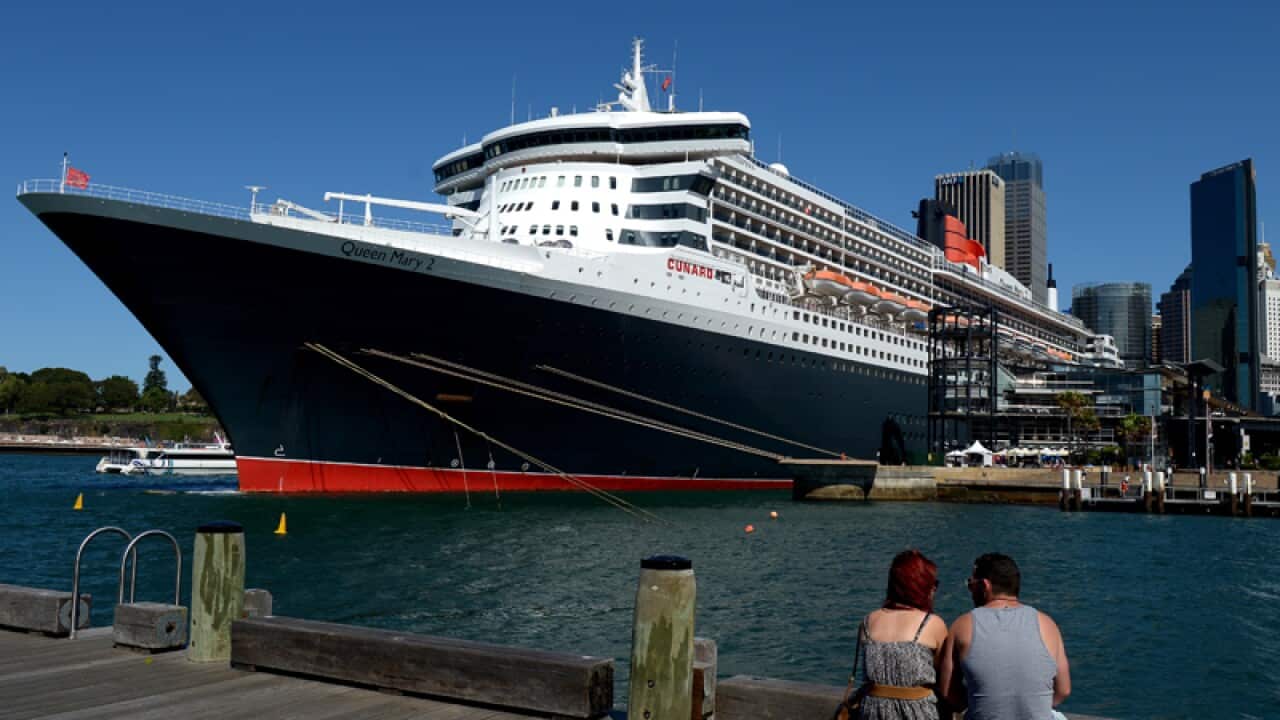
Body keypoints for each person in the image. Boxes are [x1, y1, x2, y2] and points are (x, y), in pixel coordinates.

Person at [938, 553, 1070, 720]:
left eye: (971, 584)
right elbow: (1063, 690)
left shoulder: (962, 625)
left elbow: (948, 690)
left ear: (985, 586)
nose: (970, 590)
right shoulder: (1047, 624)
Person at [854, 550, 949, 720]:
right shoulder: (932, 623)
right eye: (933, 583)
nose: (935, 589)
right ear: (922, 585)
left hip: (871, 713)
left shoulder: (868, 621)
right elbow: (945, 678)